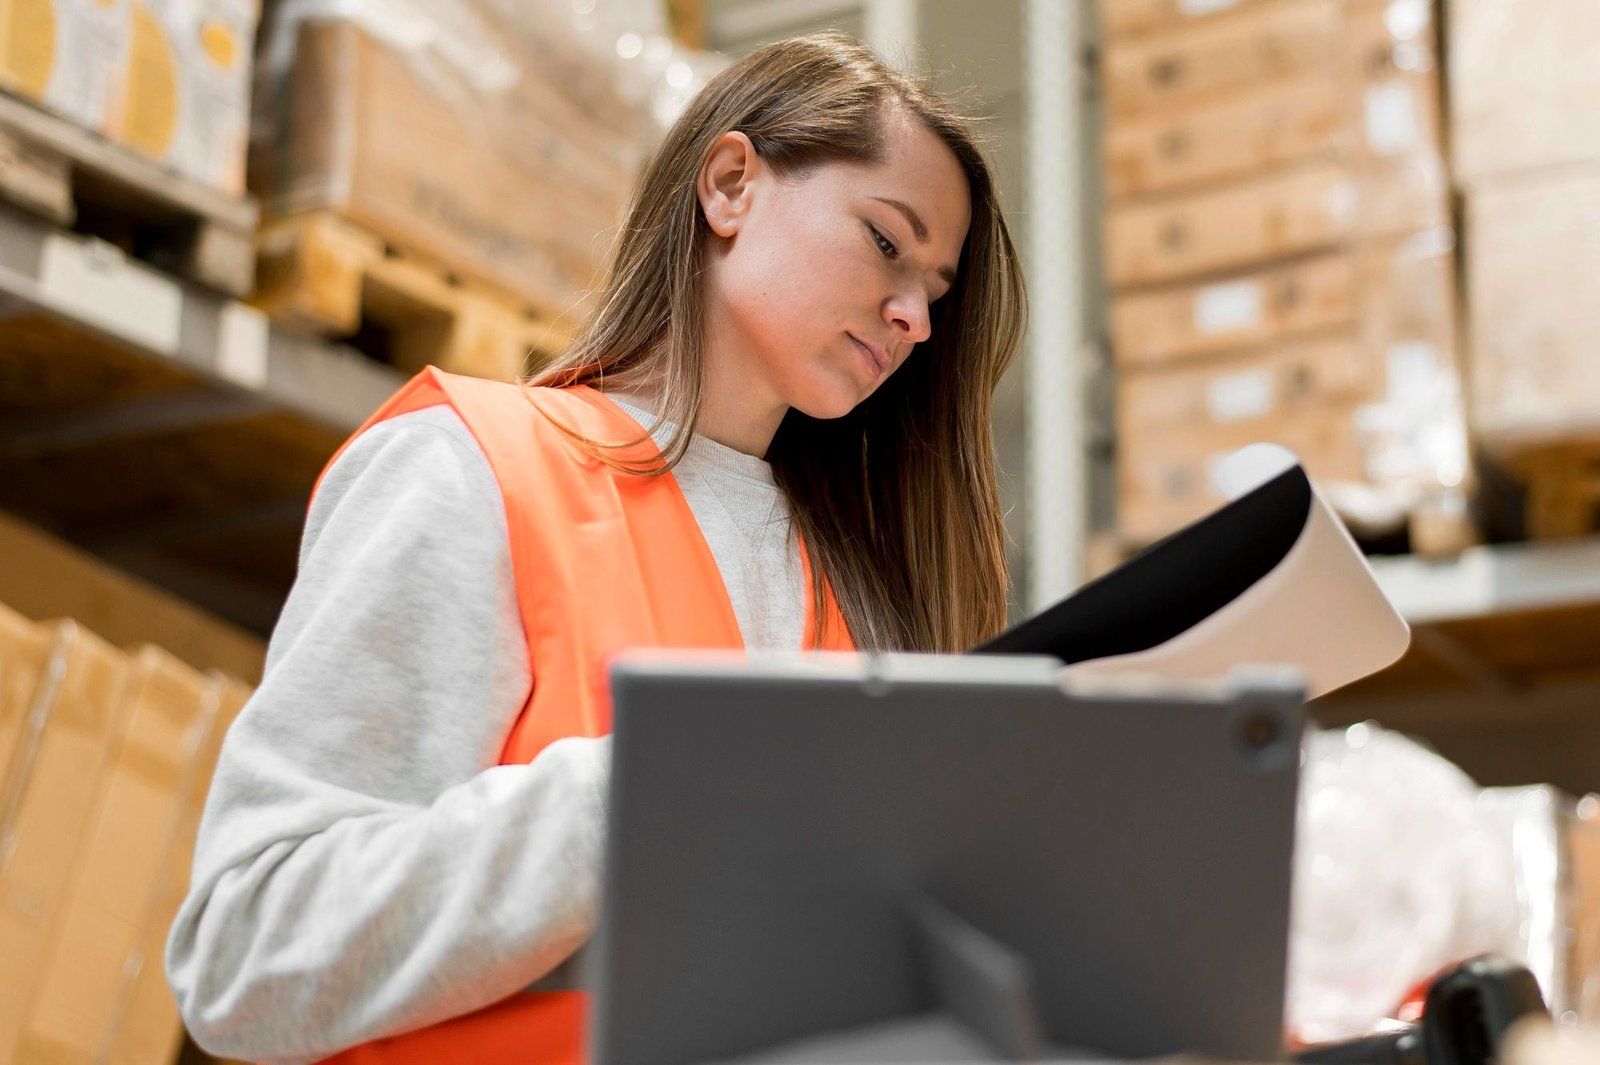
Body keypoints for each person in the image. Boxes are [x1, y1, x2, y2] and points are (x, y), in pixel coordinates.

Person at [166, 31, 1026, 1065]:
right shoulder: (473, 473)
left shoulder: (858, 603)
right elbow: (247, 955)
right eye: (888, 243)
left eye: (936, 292)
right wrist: (637, 795)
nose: (913, 319)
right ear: (730, 185)